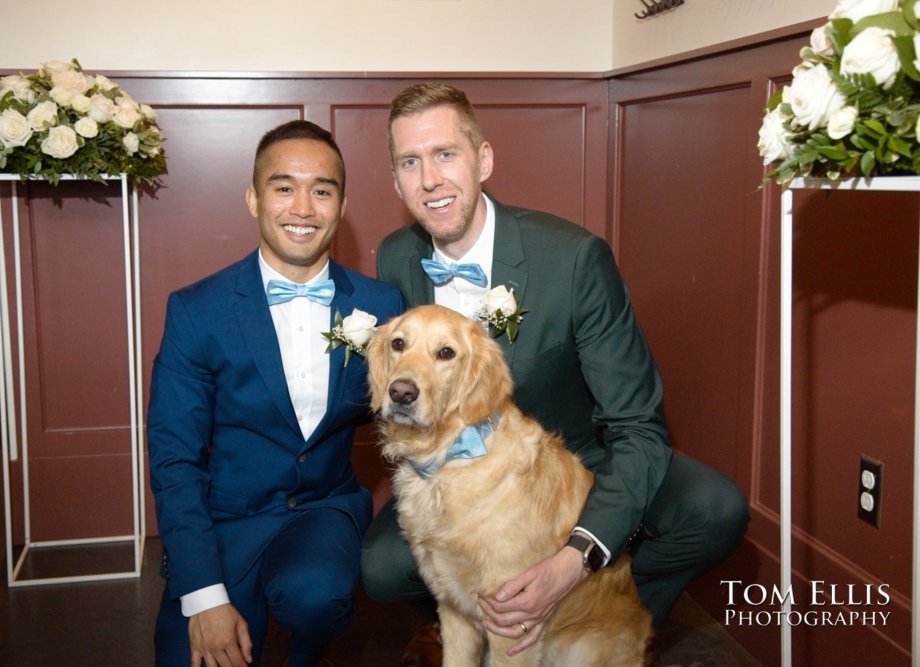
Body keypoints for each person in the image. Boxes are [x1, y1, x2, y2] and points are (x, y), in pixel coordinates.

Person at [361, 82, 750, 666]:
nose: (430, 180)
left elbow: (640, 426)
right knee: (382, 568)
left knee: (713, 508)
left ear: (483, 159)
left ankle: (605, 618)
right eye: (410, 163)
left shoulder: (572, 259)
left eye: (446, 154)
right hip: (456, 475)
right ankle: (483, 618)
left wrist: (576, 561)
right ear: (396, 182)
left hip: (574, 470)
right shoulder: (395, 255)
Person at [148, 119, 403, 667]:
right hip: (226, 521)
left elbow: (412, 415)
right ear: (253, 199)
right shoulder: (197, 311)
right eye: (284, 187)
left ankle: (307, 648)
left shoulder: (383, 306)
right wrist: (206, 596)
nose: (303, 208)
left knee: (316, 596)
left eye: (322, 190)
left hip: (321, 510)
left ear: (341, 204)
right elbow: (175, 460)